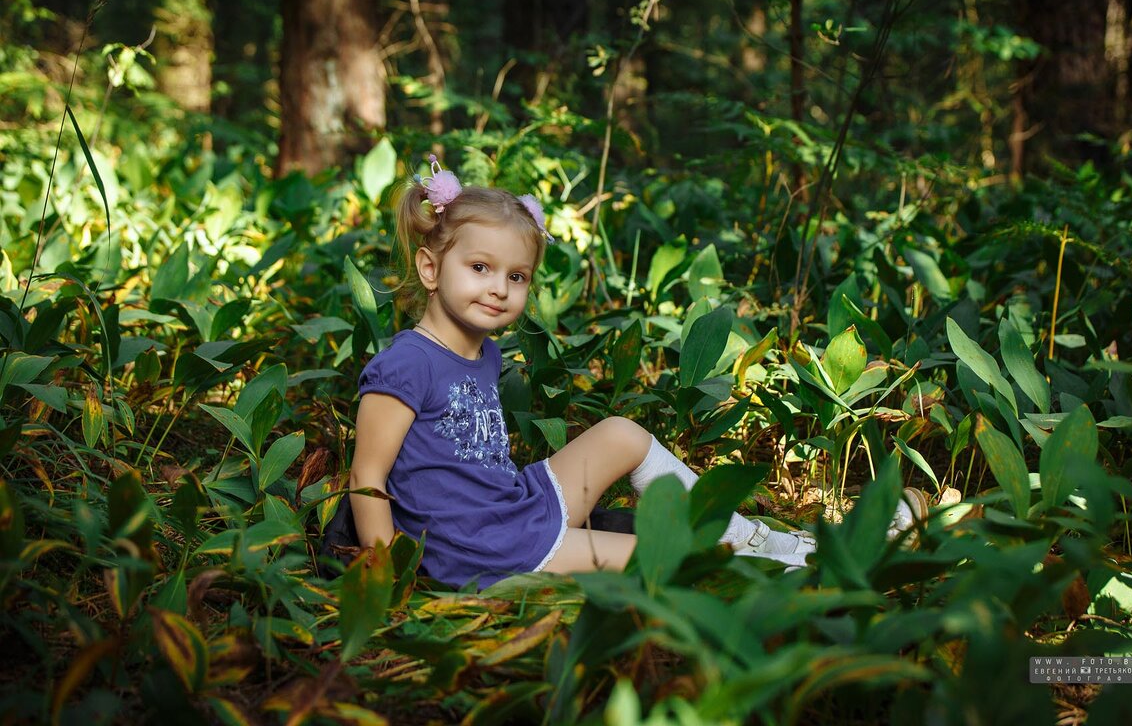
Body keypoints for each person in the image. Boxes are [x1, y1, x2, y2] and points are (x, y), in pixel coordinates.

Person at [348, 155, 928, 588]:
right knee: (668, 561)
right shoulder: (405, 364)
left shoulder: (483, 352)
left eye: (517, 276)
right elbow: (368, 478)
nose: (499, 288)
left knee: (622, 434)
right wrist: (386, 581)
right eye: (480, 267)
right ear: (430, 268)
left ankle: (759, 537)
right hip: (483, 551)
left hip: (511, 510)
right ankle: (824, 563)